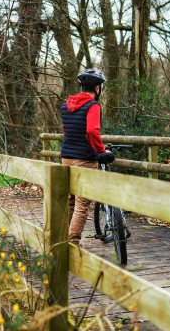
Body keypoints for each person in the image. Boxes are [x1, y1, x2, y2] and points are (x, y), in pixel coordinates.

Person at [60, 69, 114, 246]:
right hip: (84, 159)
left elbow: (66, 130)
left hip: (66, 157)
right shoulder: (93, 106)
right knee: (82, 204)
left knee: (69, 201)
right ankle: (72, 244)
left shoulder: (66, 105)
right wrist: (101, 151)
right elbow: (92, 131)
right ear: (97, 88)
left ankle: (62, 240)